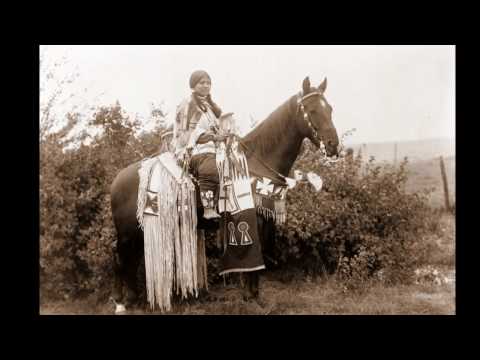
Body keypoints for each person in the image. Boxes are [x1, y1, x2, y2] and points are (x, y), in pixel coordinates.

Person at [172, 70, 229, 219]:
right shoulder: (187, 105)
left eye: (208, 83)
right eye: (202, 82)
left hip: (212, 148)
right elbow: (184, 134)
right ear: (193, 85)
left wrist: (222, 136)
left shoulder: (209, 107)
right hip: (191, 150)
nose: (206, 85)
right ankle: (208, 208)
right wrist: (212, 137)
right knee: (210, 166)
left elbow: (214, 128)